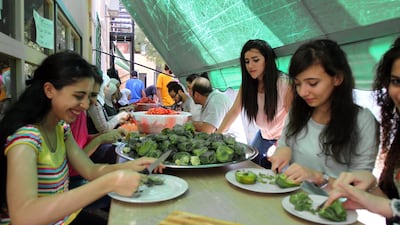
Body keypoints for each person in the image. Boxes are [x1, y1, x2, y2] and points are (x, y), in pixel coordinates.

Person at [0, 51, 163, 225]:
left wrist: (131, 165)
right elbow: (24, 216)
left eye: (89, 97)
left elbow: (91, 170)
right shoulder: (26, 139)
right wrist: (110, 183)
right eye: (78, 96)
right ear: (49, 90)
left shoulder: (61, 129)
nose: (85, 105)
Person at [269, 39, 379, 188]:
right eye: (298, 84)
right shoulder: (298, 111)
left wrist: (320, 178)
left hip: (333, 207)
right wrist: (282, 152)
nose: (303, 92)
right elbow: (284, 143)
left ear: (337, 78)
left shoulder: (362, 120)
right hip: (290, 199)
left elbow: (360, 185)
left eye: (312, 83)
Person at [326, 38, 400, 224]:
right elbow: (390, 203)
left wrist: (383, 206)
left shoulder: (364, 118)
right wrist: (369, 185)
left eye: (313, 82)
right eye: (397, 82)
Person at [216, 39, 293, 168]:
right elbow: (234, 111)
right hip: (263, 135)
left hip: (284, 138)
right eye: (247, 62)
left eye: (256, 60)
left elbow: (293, 118)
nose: (250, 66)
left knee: (277, 174)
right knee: (250, 167)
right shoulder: (248, 85)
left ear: (267, 60)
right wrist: (216, 136)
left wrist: (279, 145)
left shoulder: (284, 83)